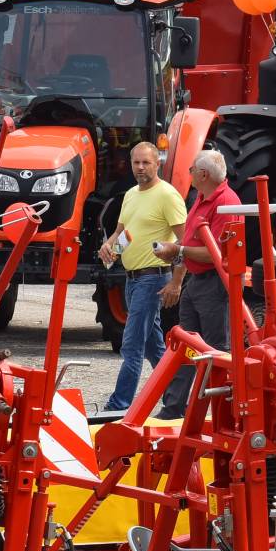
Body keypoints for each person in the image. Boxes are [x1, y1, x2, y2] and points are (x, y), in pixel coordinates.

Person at [99, 142, 187, 413]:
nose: (140, 168)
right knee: (153, 347)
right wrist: (109, 246)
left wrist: (176, 282)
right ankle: (177, 399)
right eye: (136, 162)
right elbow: (124, 231)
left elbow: (185, 243)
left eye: (146, 163)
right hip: (132, 278)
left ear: (157, 163)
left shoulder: (168, 195)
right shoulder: (131, 195)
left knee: (132, 344)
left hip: (153, 278)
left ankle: (118, 406)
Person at [155, 152, 241, 418]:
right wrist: (179, 276)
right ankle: (173, 409)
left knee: (216, 349)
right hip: (198, 282)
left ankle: (222, 414)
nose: (189, 173)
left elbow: (215, 254)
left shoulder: (226, 203)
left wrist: (177, 250)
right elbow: (193, 245)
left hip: (215, 284)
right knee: (185, 346)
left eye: (191, 169)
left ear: (203, 174)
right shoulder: (203, 200)